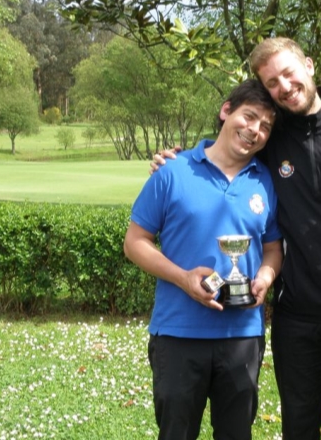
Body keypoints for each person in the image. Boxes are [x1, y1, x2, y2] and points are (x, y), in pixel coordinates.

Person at [153, 37, 321, 440]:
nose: (284, 86)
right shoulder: (270, 138)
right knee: (298, 428)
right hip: (296, 315)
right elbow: (223, 150)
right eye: (272, 82)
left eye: (288, 73)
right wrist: (170, 158)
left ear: (309, 66)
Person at [124, 79, 283, 440]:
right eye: (249, 116)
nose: (255, 131)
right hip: (178, 332)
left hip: (242, 334)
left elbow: (273, 247)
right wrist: (183, 278)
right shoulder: (172, 171)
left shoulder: (266, 182)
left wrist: (266, 276)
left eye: (266, 126)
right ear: (226, 111)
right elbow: (135, 242)